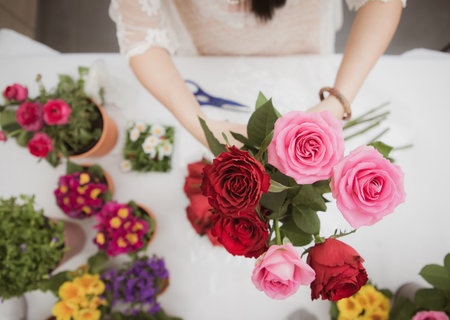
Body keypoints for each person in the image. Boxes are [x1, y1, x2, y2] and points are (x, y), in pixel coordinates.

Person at [109, 0, 405, 147]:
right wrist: (199, 125)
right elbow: (140, 36)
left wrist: (338, 100)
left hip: (302, 49)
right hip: (206, 54)